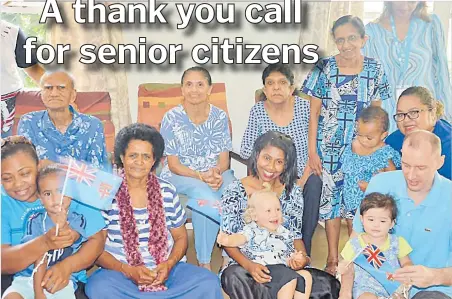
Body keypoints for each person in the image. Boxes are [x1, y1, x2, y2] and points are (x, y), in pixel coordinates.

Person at [85, 123, 223, 299]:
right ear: (122, 156)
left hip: (167, 271)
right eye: (133, 156)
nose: (139, 162)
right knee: (99, 288)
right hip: (121, 272)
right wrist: (127, 270)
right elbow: (94, 247)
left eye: (146, 156)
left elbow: (180, 237)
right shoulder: (104, 192)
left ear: (154, 160)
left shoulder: (167, 190)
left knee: (208, 283)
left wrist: (169, 264)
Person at [301, 15, 391, 275]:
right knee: (331, 203)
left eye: (352, 37)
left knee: (358, 203)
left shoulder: (375, 69)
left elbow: (378, 112)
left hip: (362, 149)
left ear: (364, 39)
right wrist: (312, 151)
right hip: (328, 149)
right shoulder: (323, 68)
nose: (346, 44)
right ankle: (331, 258)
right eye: (340, 40)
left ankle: (357, 259)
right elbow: (313, 113)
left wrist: (375, 152)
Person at [221, 131, 340, 299]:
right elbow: (229, 241)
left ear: (286, 165)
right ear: (256, 156)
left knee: (329, 284)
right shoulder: (234, 190)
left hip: (283, 266)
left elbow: (295, 237)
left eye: (279, 162)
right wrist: (250, 266)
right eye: (266, 158)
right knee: (232, 277)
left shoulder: (293, 192)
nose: (270, 167)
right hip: (247, 266)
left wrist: (303, 259)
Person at [1, 136, 106, 298]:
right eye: (7, 178)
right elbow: (3, 262)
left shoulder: (65, 189)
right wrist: (45, 242)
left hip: (67, 279)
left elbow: (97, 239)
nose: (18, 184)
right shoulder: (3, 203)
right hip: (19, 279)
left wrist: (67, 266)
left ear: (39, 166)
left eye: (25, 173)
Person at [352, 130, 452, 299]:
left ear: (440, 162)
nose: (411, 175)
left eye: (421, 168)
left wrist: (435, 276)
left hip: (432, 291)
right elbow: (355, 243)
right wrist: (346, 293)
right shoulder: (381, 183)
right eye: (406, 165)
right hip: (376, 287)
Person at [240, 63, 322, 255]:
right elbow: (246, 149)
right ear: (264, 89)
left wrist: (300, 183)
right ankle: (267, 249)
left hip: (302, 173)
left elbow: (315, 150)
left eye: (282, 82)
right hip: (270, 175)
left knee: (315, 184)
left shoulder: (304, 108)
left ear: (291, 88)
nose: (276, 88)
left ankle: (303, 250)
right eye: (270, 83)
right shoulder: (258, 111)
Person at [159, 66, 235, 270]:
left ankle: (231, 253)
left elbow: (224, 160)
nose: (194, 90)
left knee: (233, 190)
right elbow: (173, 164)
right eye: (189, 84)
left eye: (200, 84)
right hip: (180, 174)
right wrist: (202, 177)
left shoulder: (219, 117)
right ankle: (205, 261)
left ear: (209, 89)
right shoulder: (171, 118)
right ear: (182, 89)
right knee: (204, 193)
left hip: (214, 172)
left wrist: (217, 174)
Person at [363, 1, 452, 133]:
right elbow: (370, 83)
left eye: (411, 1)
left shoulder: (431, 24)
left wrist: (447, 118)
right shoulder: (371, 31)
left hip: (424, 115)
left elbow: (441, 73)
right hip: (391, 116)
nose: (404, 6)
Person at [3, 165, 88, 299]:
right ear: (40, 199)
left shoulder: (77, 219)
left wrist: (62, 224)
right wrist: (38, 293)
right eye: (48, 194)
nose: (55, 199)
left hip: (59, 281)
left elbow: (71, 237)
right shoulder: (35, 221)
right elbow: (39, 257)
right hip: (28, 278)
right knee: (11, 296)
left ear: (71, 195)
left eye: (61, 191)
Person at [217, 185, 312, 299]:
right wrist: (226, 240)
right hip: (263, 270)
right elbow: (239, 238)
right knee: (289, 279)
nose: (275, 214)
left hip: (281, 269)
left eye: (278, 209)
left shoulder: (284, 232)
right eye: (268, 211)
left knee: (306, 276)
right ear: (254, 216)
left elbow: (288, 252)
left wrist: (295, 259)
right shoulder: (252, 230)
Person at [17, 71, 110, 171]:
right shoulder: (29, 122)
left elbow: (98, 171)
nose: (54, 93)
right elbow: (25, 167)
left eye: (61, 88)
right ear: (41, 94)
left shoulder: (93, 125)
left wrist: (56, 167)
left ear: (73, 95)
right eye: (48, 88)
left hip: (81, 186)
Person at [339, 193, 413, 299]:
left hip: (392, 287)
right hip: (364, 288)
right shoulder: (354, 244)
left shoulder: (397, 242)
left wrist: (407, 272)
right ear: (362, 219)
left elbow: (407, 262)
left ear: (392, 223)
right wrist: (342, 267)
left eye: (382, 221)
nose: (376, 225)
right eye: (371, 219)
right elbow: (345, 265)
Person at [341, 106, 401, 223]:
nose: (363, 140)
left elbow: (393, 183)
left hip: (374, 209)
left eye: (369, 137)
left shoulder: (385, 154)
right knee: (354, 237)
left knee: (373, 237)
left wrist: (371, 187)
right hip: (351, 205)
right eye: (359, 134)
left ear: (383, 135)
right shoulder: (353, 146)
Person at [386, 86, 451, 179]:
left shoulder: (448, 146)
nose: (406, 120)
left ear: (432, 114)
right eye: (400, 114)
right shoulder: (392, 142)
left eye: (413, 112)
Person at [1, 20, 45, 138]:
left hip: (7, 109)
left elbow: (35, 70)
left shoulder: (11, 32)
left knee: (8, 151)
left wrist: (64, 96)